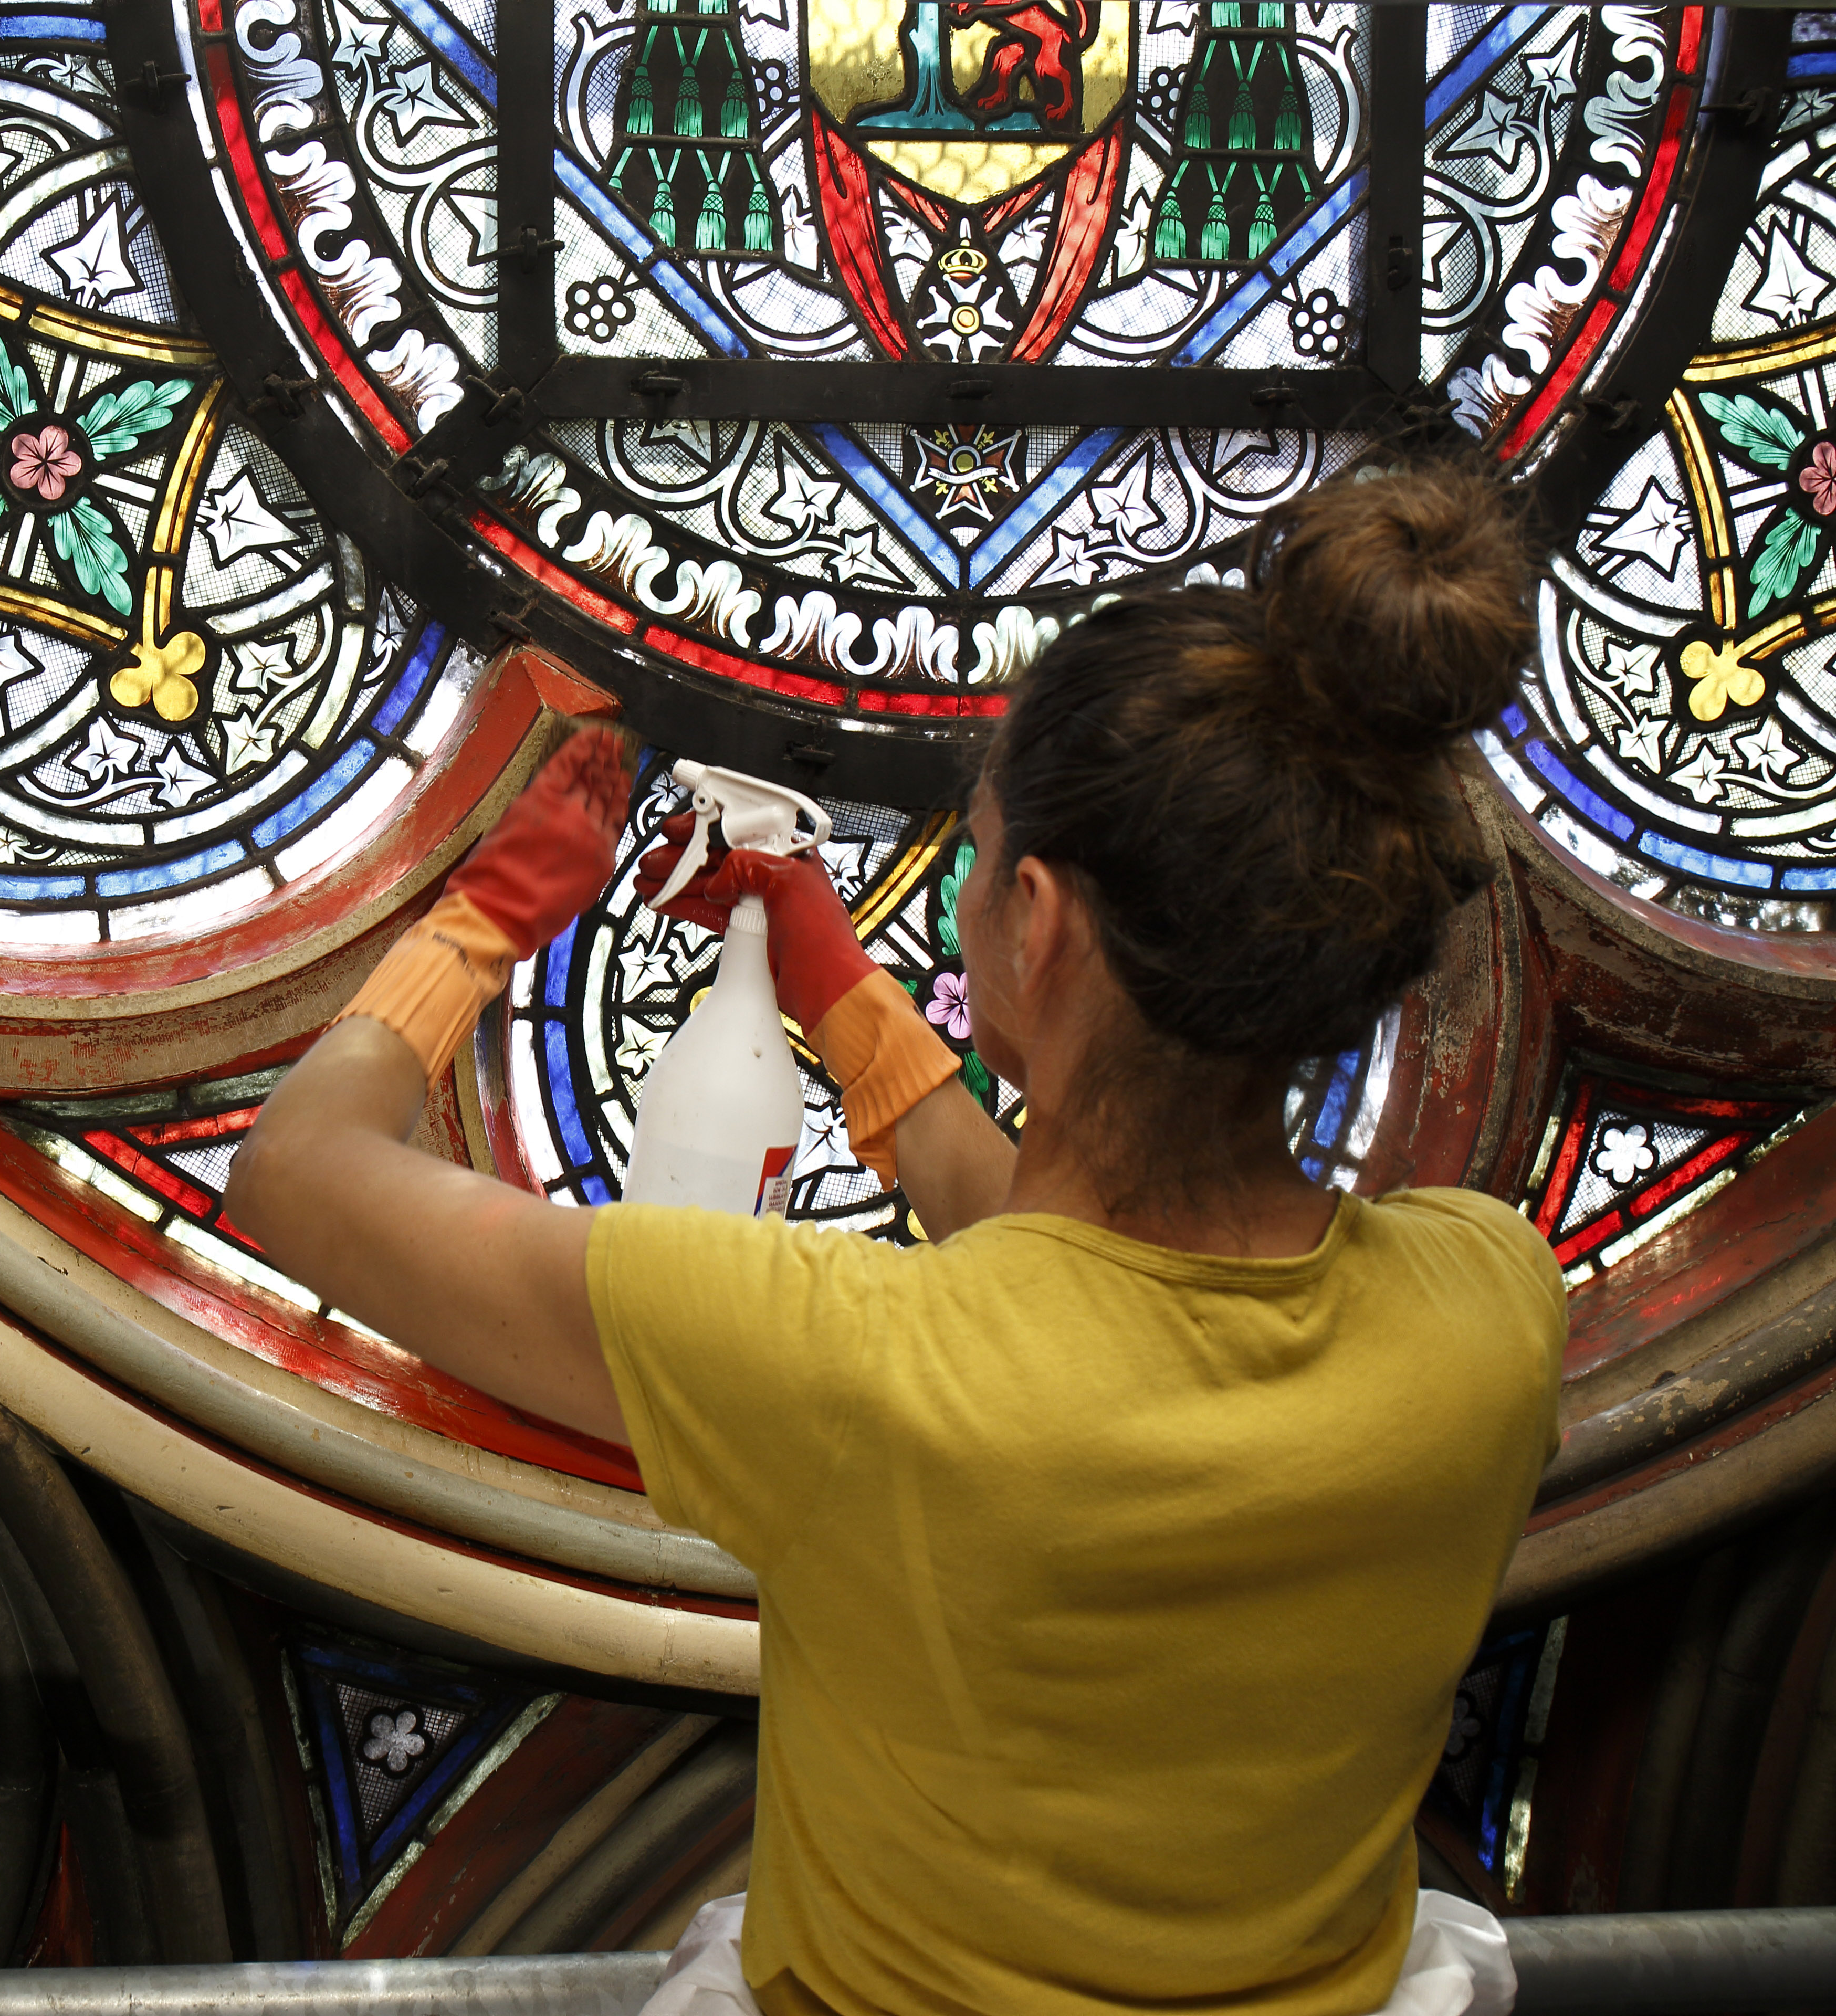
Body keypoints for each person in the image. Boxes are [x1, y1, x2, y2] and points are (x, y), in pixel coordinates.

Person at [223, 463, 1565, 2016]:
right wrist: (837, 993)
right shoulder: (1485, 1300)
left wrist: (490, 919)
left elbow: (301, 1174)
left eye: (987, 857)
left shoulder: (842, 1367)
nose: (981, 890)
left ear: (1042, 918)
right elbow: (1087, 1296)